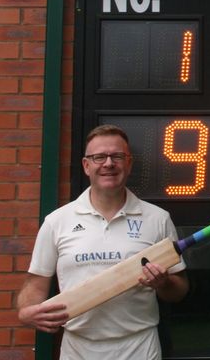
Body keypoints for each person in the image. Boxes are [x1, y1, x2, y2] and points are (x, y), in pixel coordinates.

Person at [17, 124, 189, 359]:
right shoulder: (57, 221)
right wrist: (25, 312)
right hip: (78, 347)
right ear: (86, 166)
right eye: (99, 157)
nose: (109, 163)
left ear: (129, 163)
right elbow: (35, 285)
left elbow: (179, 290)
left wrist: (163, 283)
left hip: (139, 346)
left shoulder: (157, 219)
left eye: (117, 156)